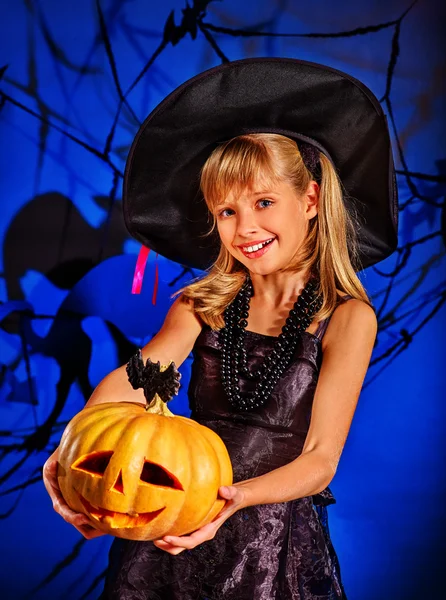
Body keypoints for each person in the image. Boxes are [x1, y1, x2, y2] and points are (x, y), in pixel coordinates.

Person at [43, 58, 397, 599]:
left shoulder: (347, 319)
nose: (246, 227)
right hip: (167, 517)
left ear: (310, 199)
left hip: (267, 540)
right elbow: (134, 381)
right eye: (226, 211)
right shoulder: (201, 306)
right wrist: (70, 453)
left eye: (263, 202)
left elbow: (321, 460)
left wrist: (229, 500)